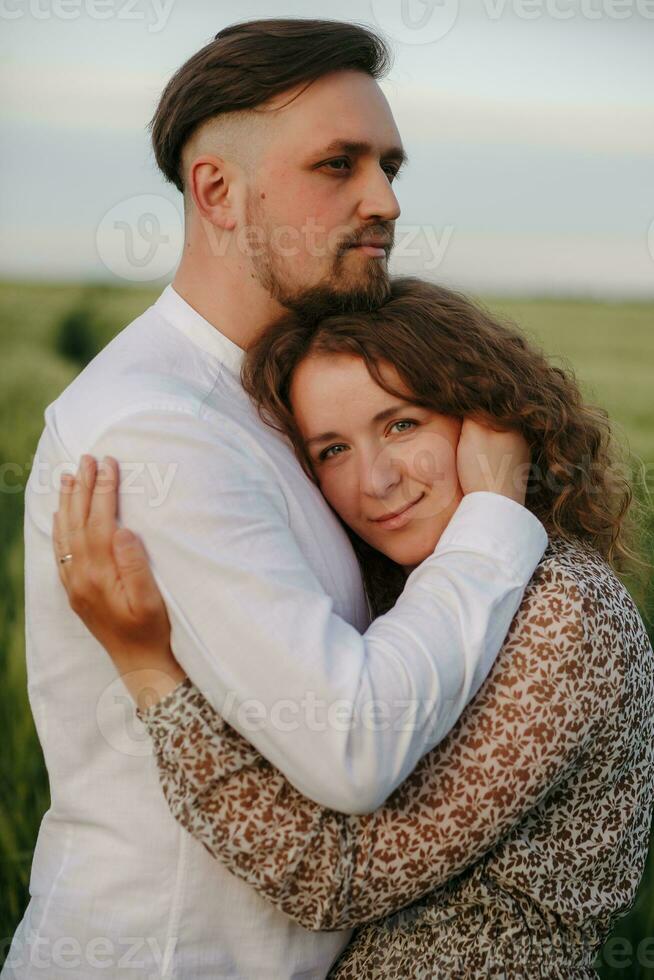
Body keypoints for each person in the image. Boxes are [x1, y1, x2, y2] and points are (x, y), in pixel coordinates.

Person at [4, 20, 548, 980]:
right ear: (217, 190)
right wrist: (493, 521)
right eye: (337, 164)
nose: (382, 199)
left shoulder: (282, 402)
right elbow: (354, 742)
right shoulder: (153, 427)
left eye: (388, 165)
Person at [53, 279, 654, 979]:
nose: (375, 481)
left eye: (401, 424)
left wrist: (147, 668)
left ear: (490, 421)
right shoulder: (409, 595)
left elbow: (335, 876)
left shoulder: (561, 612)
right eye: (332, 450)